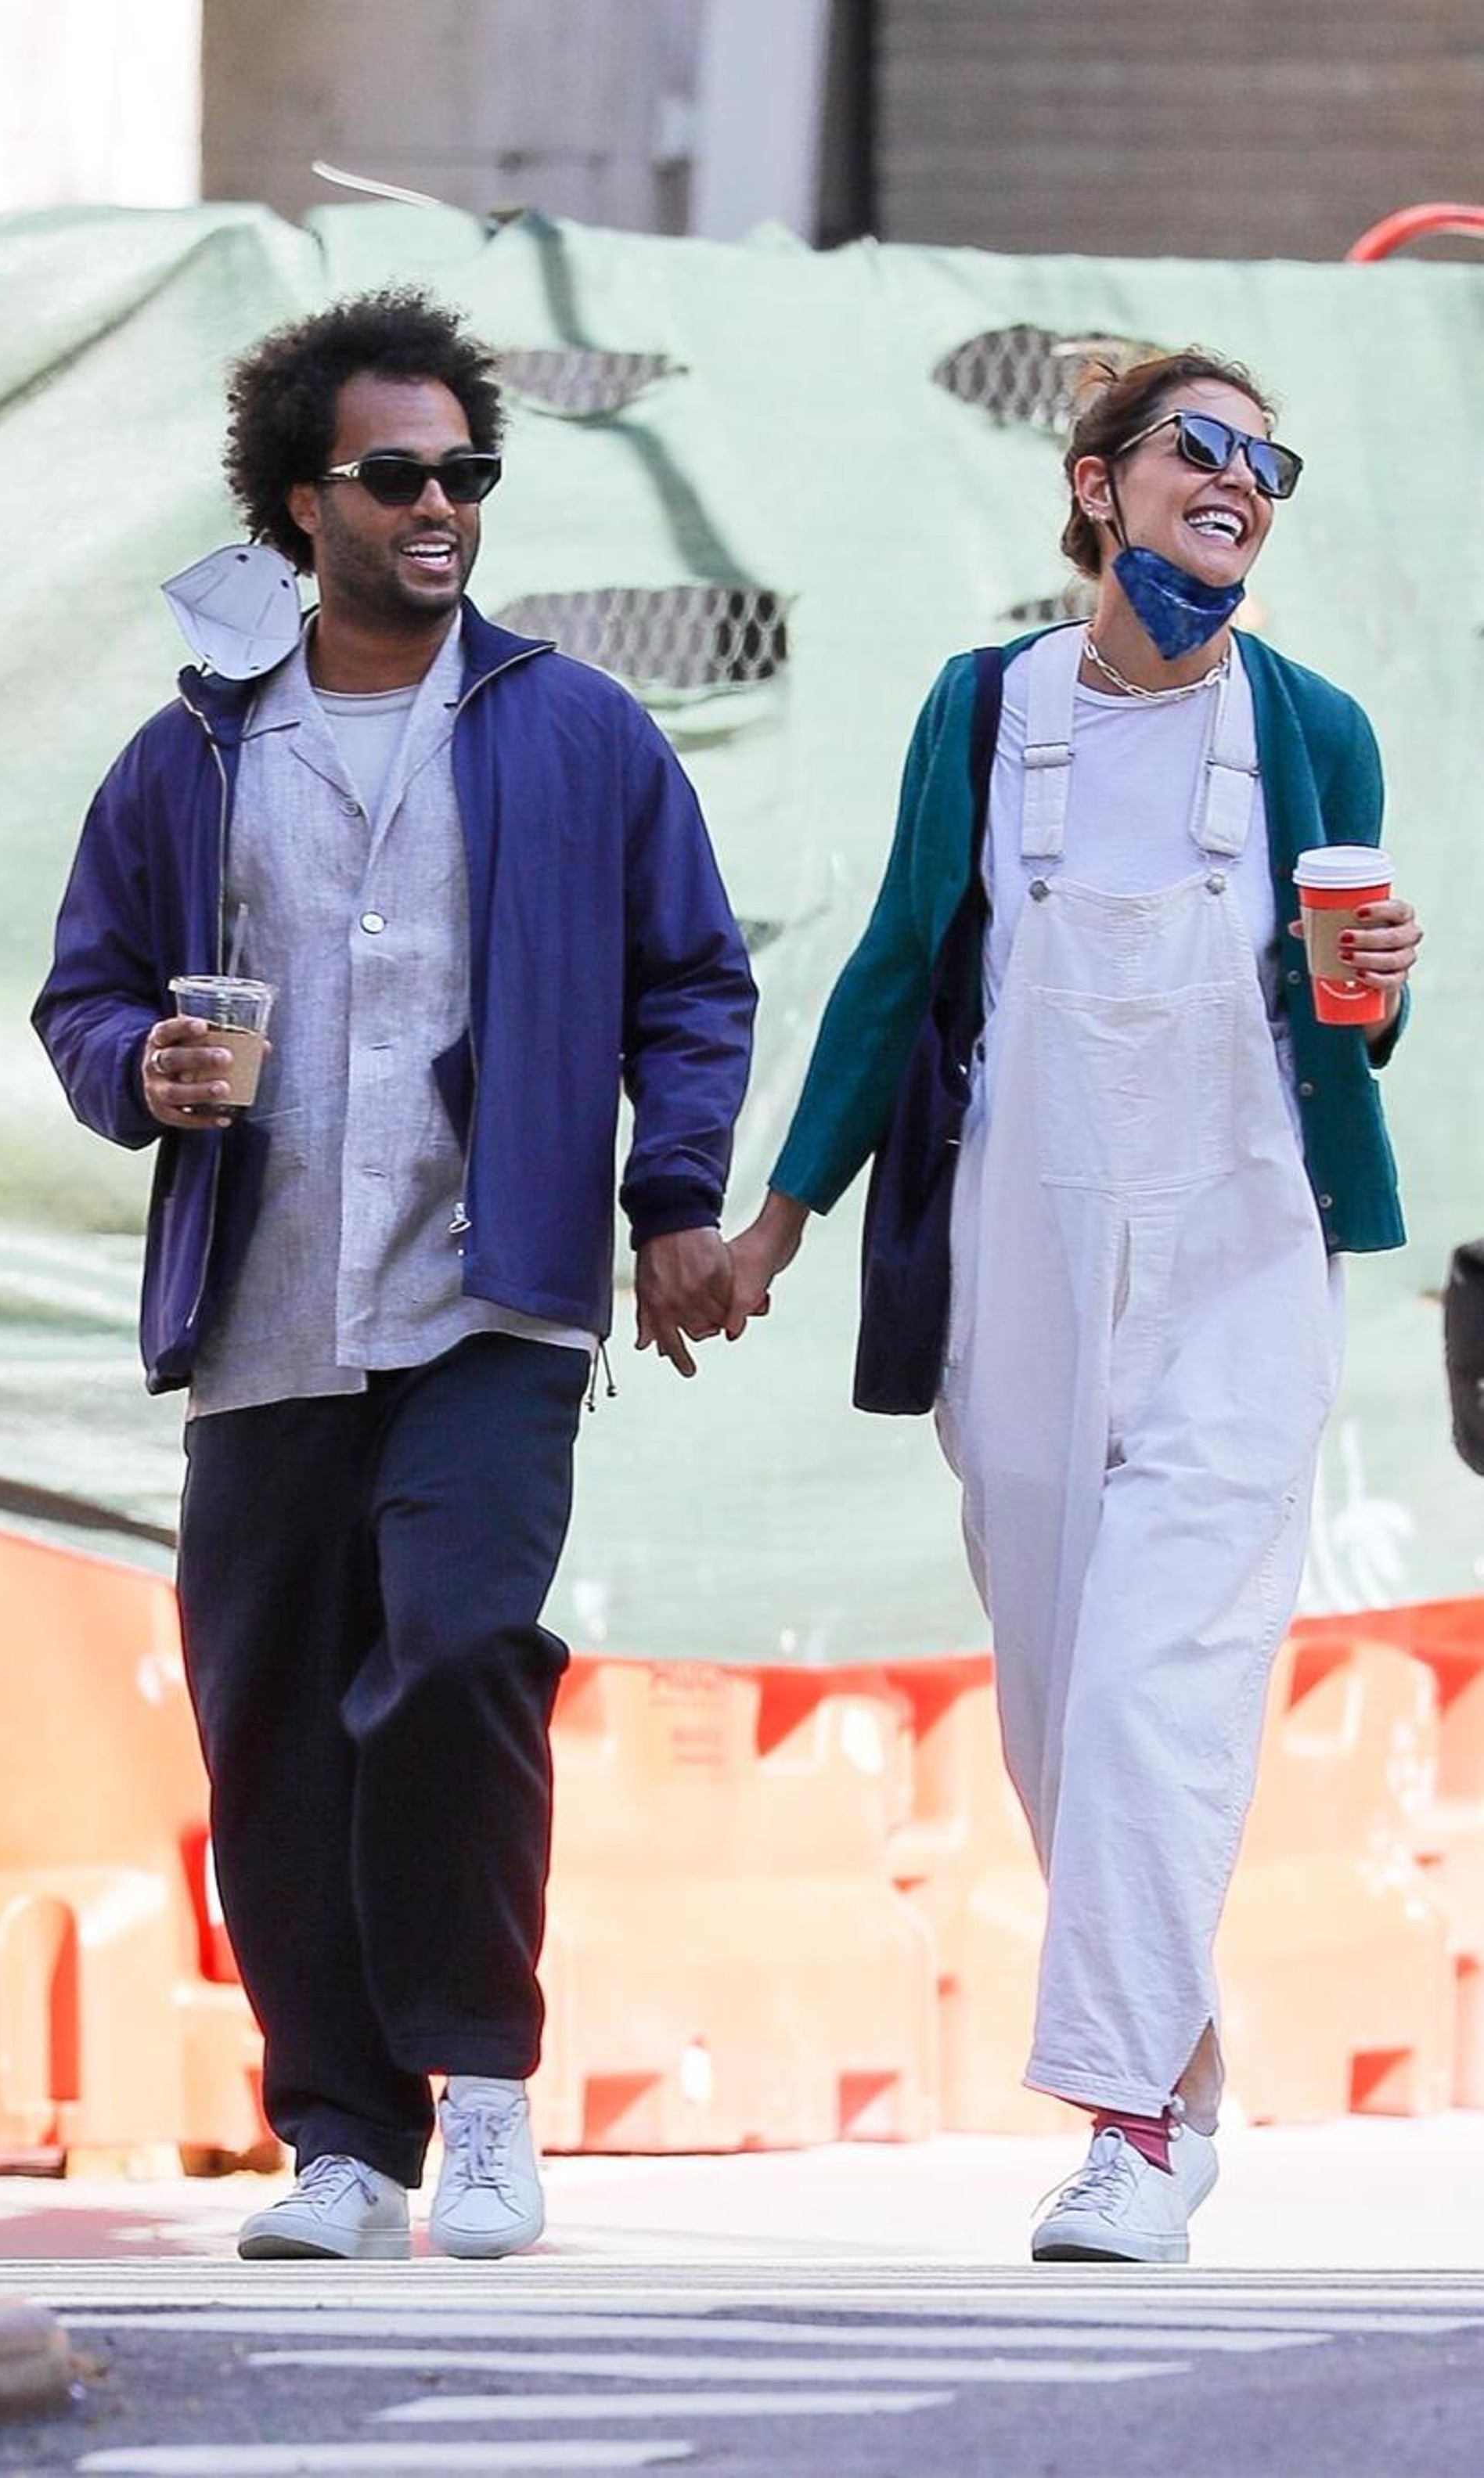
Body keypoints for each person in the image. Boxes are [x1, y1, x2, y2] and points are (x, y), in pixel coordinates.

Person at [33, 287, 755, 2262]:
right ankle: (345, 2140)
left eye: (465, 474)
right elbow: (86, 991)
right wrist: (138, 1066)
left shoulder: (576, 731)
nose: (439, 506)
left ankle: (483, 2079)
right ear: (300, 500)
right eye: (396, 475)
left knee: (451, 1646)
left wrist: (672, 1198)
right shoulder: (194, 752)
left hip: (488, 1301)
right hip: (265, 1313)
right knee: (270, 1720)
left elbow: (690, 981)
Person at [726, 350, 1421, 2264]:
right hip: (1016, 1262)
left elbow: (1345, 1018)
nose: (1238, 477)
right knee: (1054, 1699)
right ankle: (1172, 2074)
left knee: (1149, 1686)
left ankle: (1115, 2130)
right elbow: (893, 967)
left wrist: (1374, 979)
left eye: (1265, 459)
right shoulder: (981, 711)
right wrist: (777, 1220)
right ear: (1098, 485)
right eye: (1198, 444)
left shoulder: (1317, 728)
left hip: (1240, 1266)